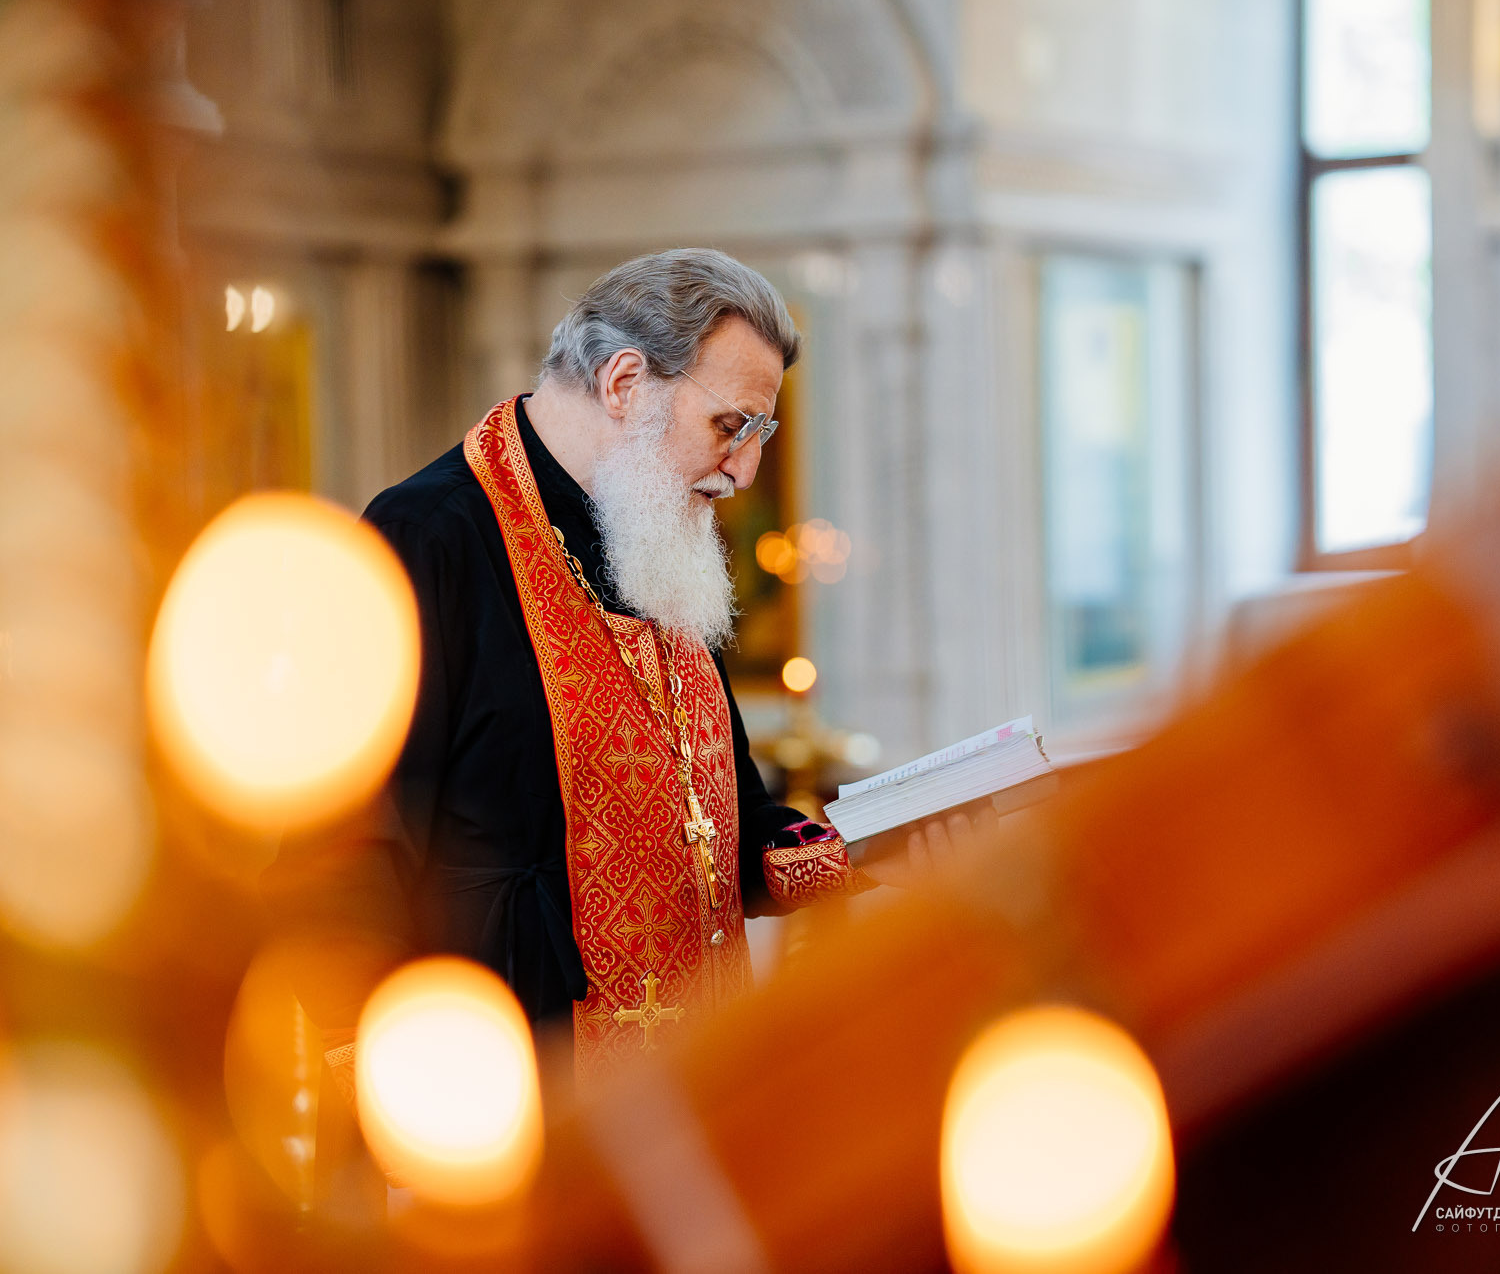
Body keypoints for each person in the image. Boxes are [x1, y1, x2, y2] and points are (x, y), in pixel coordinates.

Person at [274, 249, 986, 1084]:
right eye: (730, 426)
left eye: (761, 434)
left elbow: (725, 826)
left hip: (696, 1082)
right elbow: (343, 848)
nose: (744, 472)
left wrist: (877, 845)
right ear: (623, 384)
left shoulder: (658, 537)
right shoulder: (427, 535)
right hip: (513, 1098)